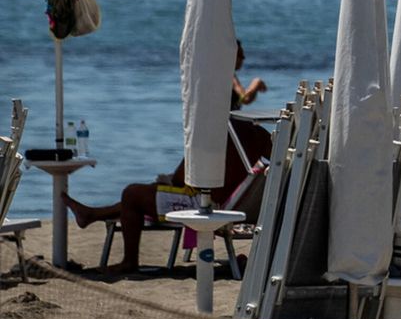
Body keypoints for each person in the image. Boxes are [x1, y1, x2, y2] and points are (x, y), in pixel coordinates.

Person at [63, 120, 274, 273]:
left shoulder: (215, 134)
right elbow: (278, 159)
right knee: (142, 196)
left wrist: (166, 182)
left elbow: (182, 178)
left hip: (204, 204)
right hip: (231, 204)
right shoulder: (259, 135)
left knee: (132, 194)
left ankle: (129, 261)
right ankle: (92, 214)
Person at [232, 40, 268, 110]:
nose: (243, 58)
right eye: (240, 55)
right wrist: (256, 83)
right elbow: (245, 98)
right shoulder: (230, 77)